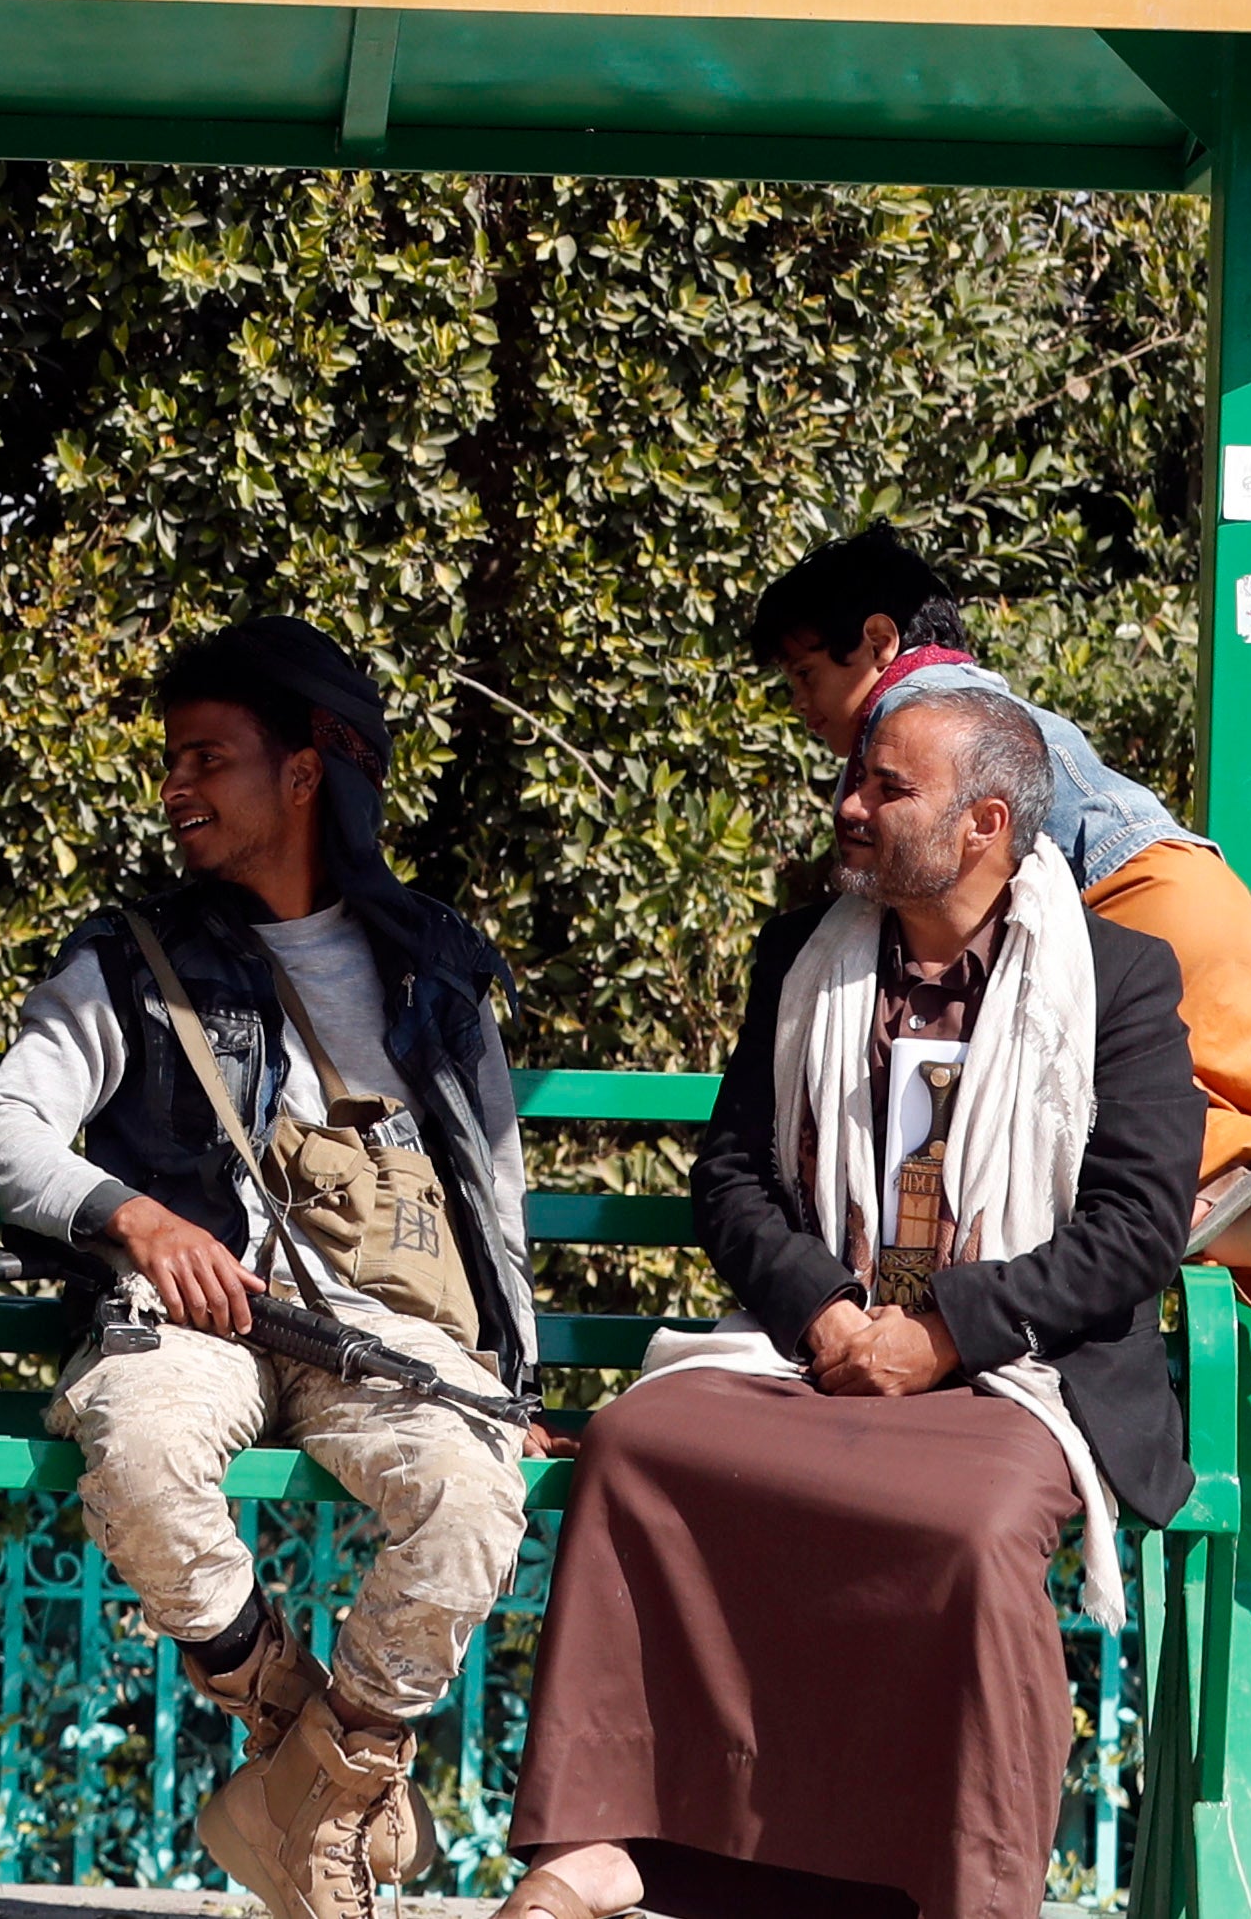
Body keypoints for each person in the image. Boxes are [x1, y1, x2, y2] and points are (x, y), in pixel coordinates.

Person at [490, 684, 1199, 1919]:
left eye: (887, 788)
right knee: (636, 1450)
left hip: (1006, 1374)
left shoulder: (1122, 981)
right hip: (816, 1354)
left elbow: (1135, 1227)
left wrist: (939, 1336)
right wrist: (824, 1314)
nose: (850, 804)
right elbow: (733, 1175)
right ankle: (609, 1848)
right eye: (855, 779)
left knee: (972, 1537)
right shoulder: (804, 955)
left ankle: (964, 1892)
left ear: (984, 823)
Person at [0, 622, 534, 1919]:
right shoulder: (131, 955)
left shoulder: (432, 966)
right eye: (173, 759)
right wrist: (137, 1221)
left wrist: (513, 1377)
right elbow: (4, 1131)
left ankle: (304, 1801)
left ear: (307, 769)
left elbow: (489, 1187)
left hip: (386, 1335)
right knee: (139, 1451)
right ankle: (320, 1771)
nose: (177, 787)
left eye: (209, 758)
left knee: (469, 1490)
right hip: (189, 1325)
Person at [749, 523, 1251, 1428]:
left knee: (1125, 1183)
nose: (802, 704)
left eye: (806, 674)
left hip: (1139, 912)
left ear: (880, 643)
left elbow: (904, 885)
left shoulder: (920, 713)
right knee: (1185, 1188)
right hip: (1203, 903)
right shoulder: (972, 693)